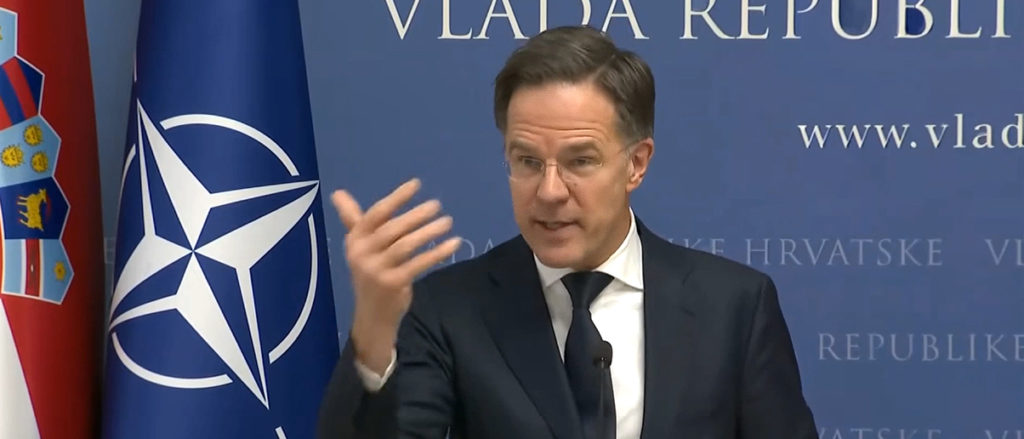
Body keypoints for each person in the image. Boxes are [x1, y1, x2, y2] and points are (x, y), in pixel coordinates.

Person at [317, 25, 817, 439]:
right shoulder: (446, 310)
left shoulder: (734, 307)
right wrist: (374, 335)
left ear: (636, 164)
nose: (550, 191)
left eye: (580, 160)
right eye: (527, 161)